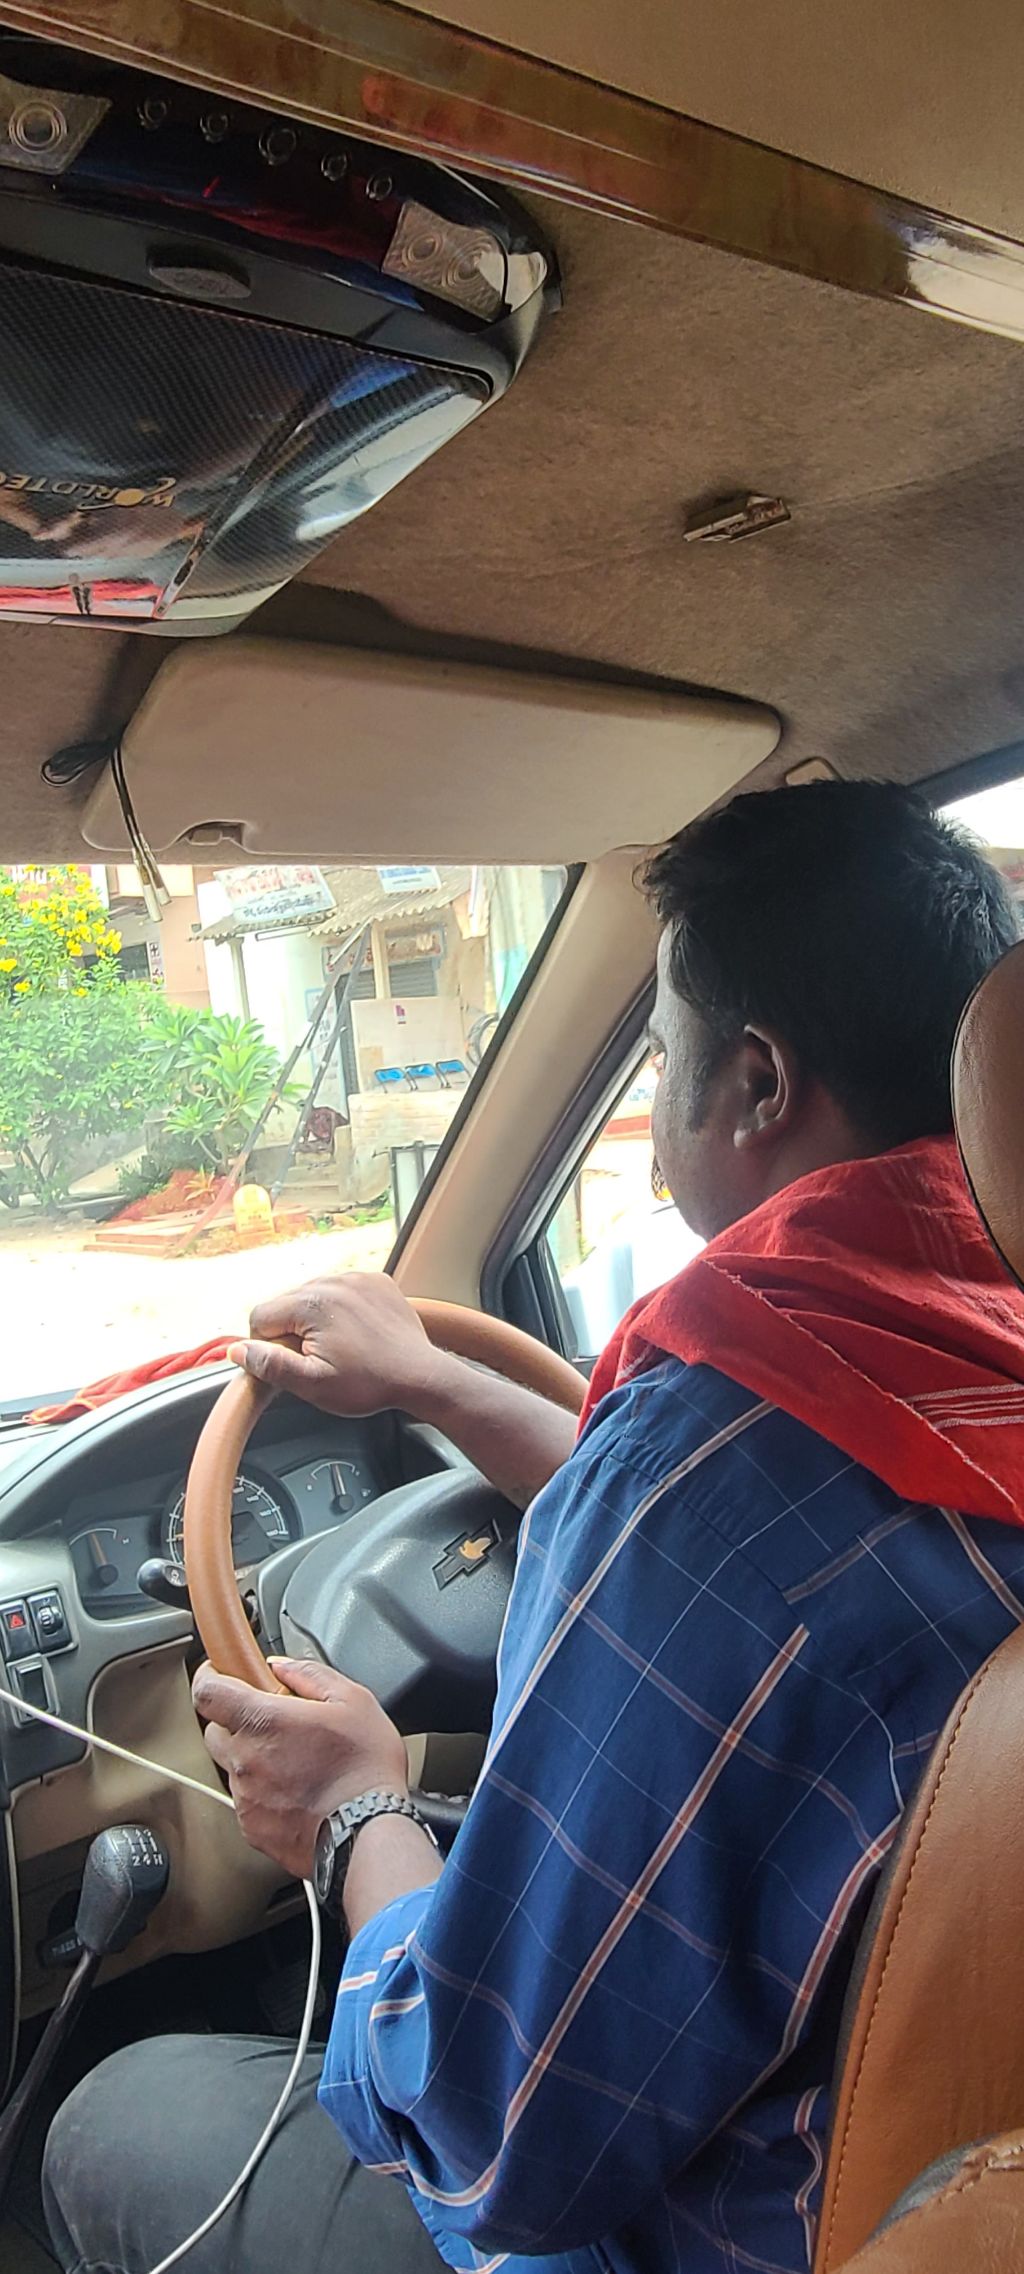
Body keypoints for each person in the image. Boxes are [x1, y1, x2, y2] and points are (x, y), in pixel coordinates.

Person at [44, 781, 1024, 2274]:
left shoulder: (709, 1472)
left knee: (111, 2119)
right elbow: (776, 1560)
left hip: (712, 2232)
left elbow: (491, 2130)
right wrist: (440, 1383)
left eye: (662, 1047)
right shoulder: (956, 1349)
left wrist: (357, 1811)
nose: (656, 1082)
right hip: (942, 2168)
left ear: (755, 1082)